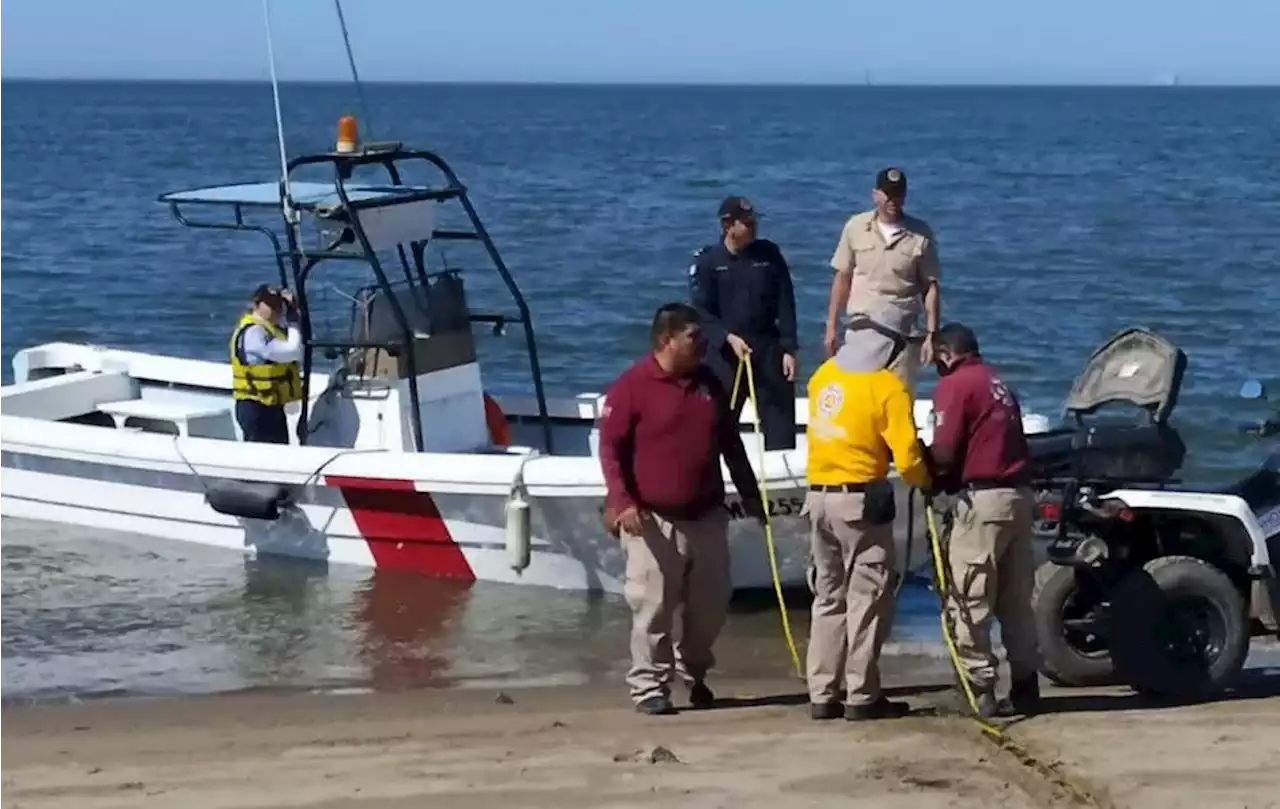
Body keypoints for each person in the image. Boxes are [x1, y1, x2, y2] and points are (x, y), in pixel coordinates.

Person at [598, 302, 765, 715]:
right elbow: (610, 449)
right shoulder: (632, 385)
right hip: (652, 519)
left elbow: (731, 443)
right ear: (666, 339)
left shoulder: (709, 382)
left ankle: (695, 672)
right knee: (653, 605)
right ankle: (649, 687)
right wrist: (622, 501)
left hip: (707, 515)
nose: (703, 343)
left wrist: (749, 493)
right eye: (694, 336)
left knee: (710, 606)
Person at [802, 306, 931, 721]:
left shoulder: (822, 377)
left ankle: (822, 692)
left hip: (818, 498)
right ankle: (861, 694)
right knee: (867, 598)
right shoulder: (885, 386)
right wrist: (926, 480)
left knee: (828, 597)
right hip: (859, 502)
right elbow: (907, 455)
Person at [927, 323, 1040, 719]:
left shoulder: (956, 385)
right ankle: (1026, 684)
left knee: (969, 596)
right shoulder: (998, 381)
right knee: (1015, 599)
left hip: (984, 500)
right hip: (1020, 496)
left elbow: (944, 451)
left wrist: (926, 471)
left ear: (946, 353)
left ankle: (980, 687)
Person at [689, 195, 799, 451]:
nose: (753, 228)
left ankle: (780, 478)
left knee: (779, 422)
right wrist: (726, 336)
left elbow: (785, 301)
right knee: (717, 423)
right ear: (727, 226)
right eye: (746, 224)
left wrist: (789, 348)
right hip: (726, 351)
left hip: (767, 347)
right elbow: (701, 312)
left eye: (754, 223)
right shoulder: (708, 262)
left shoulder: (768, 254)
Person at [823, 167, 941, 394]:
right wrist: (831, 328)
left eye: (898, 194)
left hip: (903, 336)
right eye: (887, 193)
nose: (893, 200)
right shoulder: (855, 227)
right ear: (875, 194)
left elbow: (930, 287)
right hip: (862, 330)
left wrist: (932, 335)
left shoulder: (921, 234)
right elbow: (842, 278)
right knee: (860, 398)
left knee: (898, 399)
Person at [230, 284, 303, 444]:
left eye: (279, 305)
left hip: (272, 405)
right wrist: (293, 321)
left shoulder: (272, 330)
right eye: (269, 305)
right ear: (256, 305)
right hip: (255, 406)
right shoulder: (254, 332)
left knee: (280, 451)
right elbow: (292, 351)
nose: (275, 309)